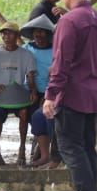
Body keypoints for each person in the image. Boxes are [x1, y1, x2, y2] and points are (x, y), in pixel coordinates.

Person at [43, 0, 97, 191]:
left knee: (70, 147)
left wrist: (51, 94)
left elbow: (62, 62)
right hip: (93, 91)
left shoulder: (69, 21)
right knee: (86, 148)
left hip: (72, 93)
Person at [0, 21, 37, 165]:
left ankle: (22, 149)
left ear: (17, 35)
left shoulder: (26, 54)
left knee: (24, 113)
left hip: (18, 94)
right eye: (3, 33)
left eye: (9, 33)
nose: (6, 36)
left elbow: (30, 76)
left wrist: (33, 91)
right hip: (0, 95)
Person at [22, 16, 58, 167]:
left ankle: (47, 153)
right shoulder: (27, 49)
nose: (39, 35)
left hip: (50, 92)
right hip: (30, 91)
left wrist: (49, 95)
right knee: (33, 118)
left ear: (48, 34)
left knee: (47, 117)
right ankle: (41, 152)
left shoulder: (55, 49)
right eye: (36, 32)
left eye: (43, 32)